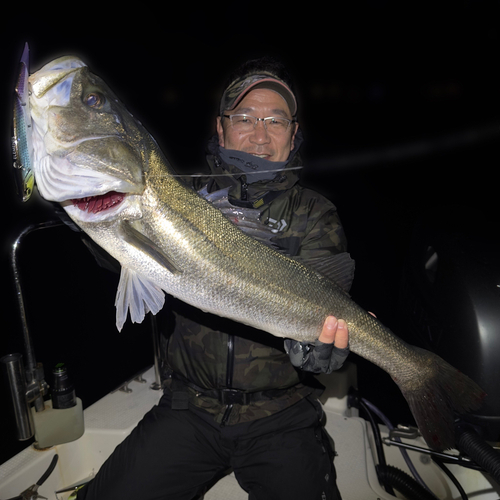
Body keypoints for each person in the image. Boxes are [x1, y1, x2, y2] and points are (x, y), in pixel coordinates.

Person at [76, 57, 354, 500]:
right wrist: (79, 208)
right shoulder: (181, 199)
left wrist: (319, 352)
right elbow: (118, 255)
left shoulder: (314, 214)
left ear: (293, 134)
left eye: (275, 121)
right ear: (221, 128)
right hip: (190, 408)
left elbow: (327, 313)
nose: (259, 135)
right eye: (244, 118)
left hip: (280, 415)